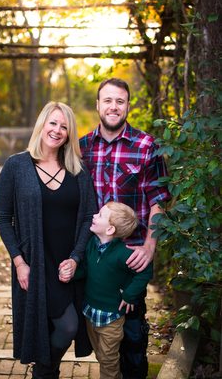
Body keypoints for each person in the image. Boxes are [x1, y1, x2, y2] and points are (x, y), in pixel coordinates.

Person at [0, 101, 97, 379]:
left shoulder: (78, 171)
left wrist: (76, 258)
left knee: (66, 327)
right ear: (42, 124)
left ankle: (43, 374)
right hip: (35, 264)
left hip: (66, 266)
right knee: (63, 326)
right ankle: (45, 373)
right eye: (53, 123)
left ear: (69, 132)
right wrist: (19, 263)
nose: (57, 130)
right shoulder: (16, 166)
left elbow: (89, 216)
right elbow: (4, 218)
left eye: (64, 126)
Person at [79, 78, 170, 379]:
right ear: (97, 104)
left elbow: (158, 201)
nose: (113, 106)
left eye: (120, 101)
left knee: (132, 339)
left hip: (130, 258)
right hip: (95, 257)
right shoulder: (83, 148)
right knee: (98, 334)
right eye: (107, 100)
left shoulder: (146, 146)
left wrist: (149, 247)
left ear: (128, 105)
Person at [73, 201, 153, 379]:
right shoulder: (91, 245)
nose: (94, 216)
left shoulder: (124, 253)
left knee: (109, 361)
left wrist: (130, 294)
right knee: (101, 356)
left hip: (111, 319)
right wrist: (72, 272)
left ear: (110, 230)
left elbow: (145, 271)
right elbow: (87, 268)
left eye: (100, 215)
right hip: (90, 313)